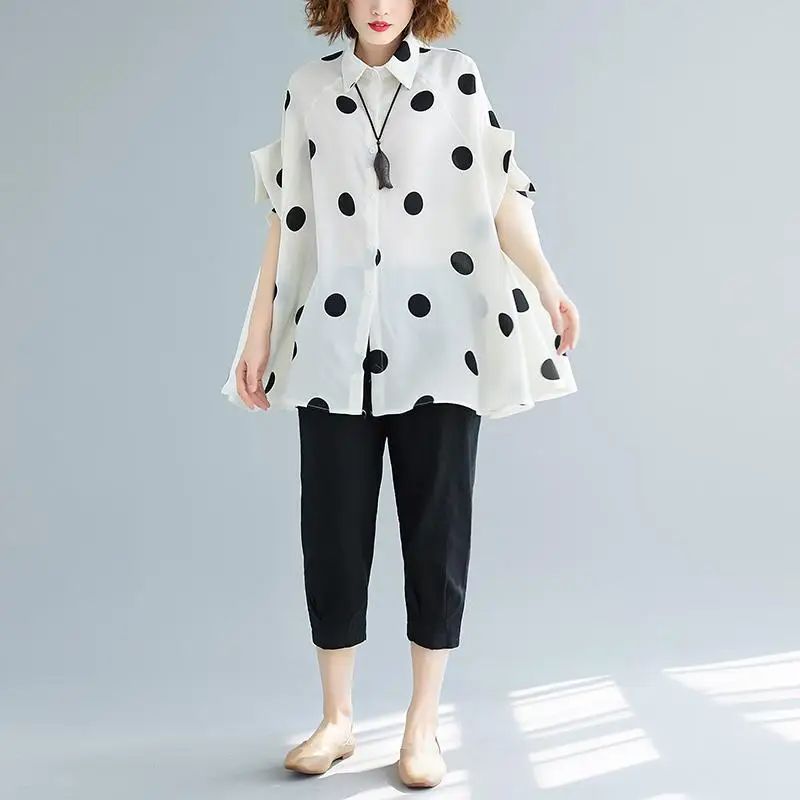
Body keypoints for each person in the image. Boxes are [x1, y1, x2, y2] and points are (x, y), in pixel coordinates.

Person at [221, 0, 580, 789]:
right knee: (332, 531)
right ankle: (337, 719)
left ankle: (422, 725)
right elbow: (288, 217)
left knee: (437, 531)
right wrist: (256, 333)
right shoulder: (309, 89)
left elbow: (499, 194)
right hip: (333, 345)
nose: (381, 6)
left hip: (444, 345)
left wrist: (548, 283)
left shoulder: (458, 79)